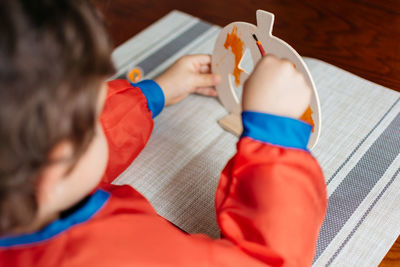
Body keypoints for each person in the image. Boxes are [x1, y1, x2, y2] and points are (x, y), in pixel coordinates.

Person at [0, 0, 327, 266]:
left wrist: (152, 94)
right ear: (58, 162)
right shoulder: (125, 255)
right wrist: (276, 138)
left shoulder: (19, 184)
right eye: (91, 112)